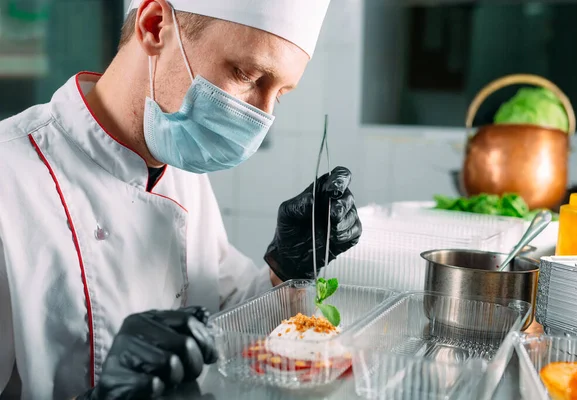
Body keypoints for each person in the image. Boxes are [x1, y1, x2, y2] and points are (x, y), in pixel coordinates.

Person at [0, 0, 362, 398]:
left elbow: (222, 319)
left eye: (281, 95)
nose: (262, 117)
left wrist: (286, 268)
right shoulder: (11, 179)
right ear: (155, 27)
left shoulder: (180, 163)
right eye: (248, 75)